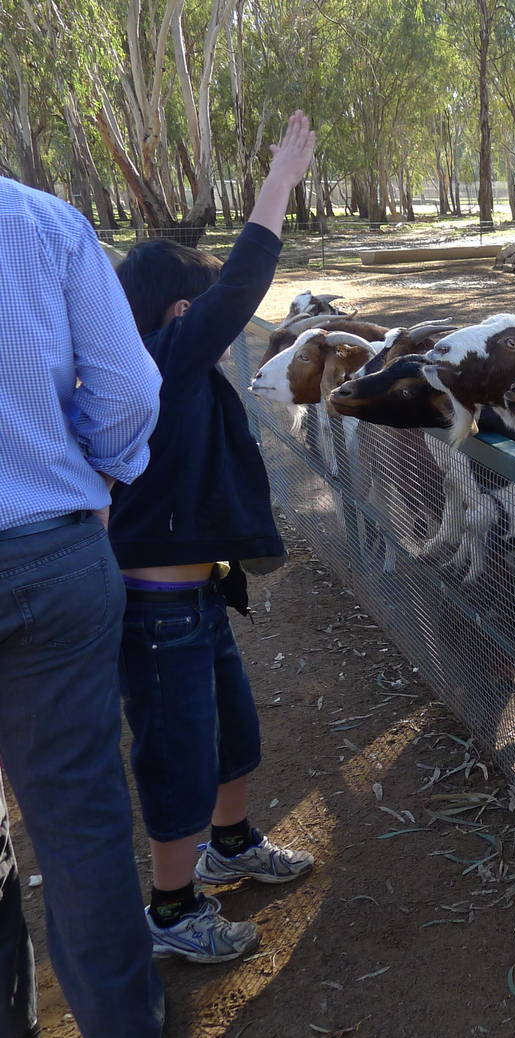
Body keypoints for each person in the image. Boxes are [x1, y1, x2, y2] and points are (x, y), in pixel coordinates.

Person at [111, 110, 318, 964]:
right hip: (154, 614)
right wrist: (276, 189)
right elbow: (240, 287)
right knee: (176, 754)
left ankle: (230, 845)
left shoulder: (156, 362)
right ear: (180, 309)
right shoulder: (157, 361)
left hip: (196, 596)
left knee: (232, 732)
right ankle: (171, 907)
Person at [0, 177, 165, 1038]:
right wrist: (100, 475)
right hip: (43, 552)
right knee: (76, 816)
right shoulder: (38, 223)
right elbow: (128, 383)